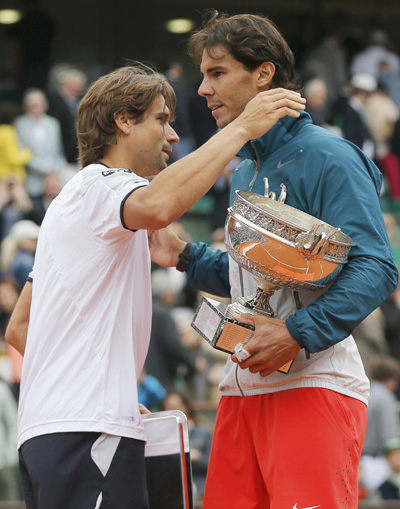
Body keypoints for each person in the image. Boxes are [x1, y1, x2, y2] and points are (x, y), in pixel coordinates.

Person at [5, 64, 305, 509]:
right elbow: (158, 205)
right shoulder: (107, 183)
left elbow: (19, 328)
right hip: (86, 432)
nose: (173, 136)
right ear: (123, 121)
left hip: (53, 430)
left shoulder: (71, 202)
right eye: (161, 119)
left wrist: (105, 388)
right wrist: (242, 126)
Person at [148, 12, 399, 508]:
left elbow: (377, 265)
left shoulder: (330, 154)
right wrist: (185, 257)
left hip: (315, 384)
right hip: (242, 388)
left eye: (217, 72)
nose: (202, 89)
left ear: (263, 74)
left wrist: (295, 332)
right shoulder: (245, 168)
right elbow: (258, 280)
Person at [15, 88, 67, 197]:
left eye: (39, 105)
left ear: (45, 106)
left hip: (56, 173)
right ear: (26, 107)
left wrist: (55, 171)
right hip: (34, 177)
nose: (36, 109)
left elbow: (59, 151)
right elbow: (24, 154)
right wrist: (47, 170)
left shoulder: (53, 123)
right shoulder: (20, 124)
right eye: (32, 106)